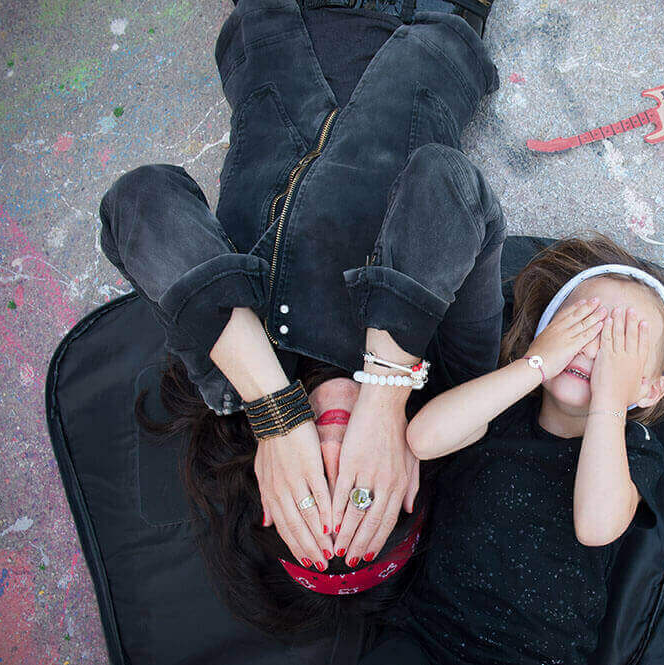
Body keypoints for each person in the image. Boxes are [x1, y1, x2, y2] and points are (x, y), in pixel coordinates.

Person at [98, 0, 502, 640]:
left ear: (270, 490)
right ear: (405, 485)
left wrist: (276, 411)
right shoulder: (456, 378)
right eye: (362, 490)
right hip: (432, 18)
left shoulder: (230, 373)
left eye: (314, 493)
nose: (338, 453)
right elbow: (447, 184)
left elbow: (141, 201)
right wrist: (384, 397)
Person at [359, 234, 664, 664]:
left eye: (618, 345)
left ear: (649, 390)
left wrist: (609, 397)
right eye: (580, 325)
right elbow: (423, 439)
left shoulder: (635, 449)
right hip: (425, 636)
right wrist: (533, 365)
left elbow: (596, 525)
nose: (591, 348)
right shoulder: (502, 406)